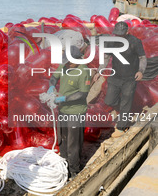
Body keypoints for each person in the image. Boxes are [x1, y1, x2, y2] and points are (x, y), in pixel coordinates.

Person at [93, 21, 147, 138]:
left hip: (130, 78)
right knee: (109, 101)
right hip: (115, 76)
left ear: (127, 32)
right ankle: (124, 112)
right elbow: (106, 57)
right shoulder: (111, 42)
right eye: (117, 34)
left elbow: (142, 57)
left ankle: (122, 127)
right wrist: (99, 71)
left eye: (121, 34)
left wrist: (140, 71)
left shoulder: (135, 42)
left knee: (126, 102)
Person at [47, 45, 91, 178]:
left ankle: (74, 171)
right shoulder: (65, 65)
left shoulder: (84, 71)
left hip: (75, 113)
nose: (67, 64)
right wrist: (51, 86)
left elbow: (82, 94)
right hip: (63, 111)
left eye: (69, 62)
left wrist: (63, 98)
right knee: (62, 140)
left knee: (73, 144)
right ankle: (64, 166)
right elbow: (54, 77)